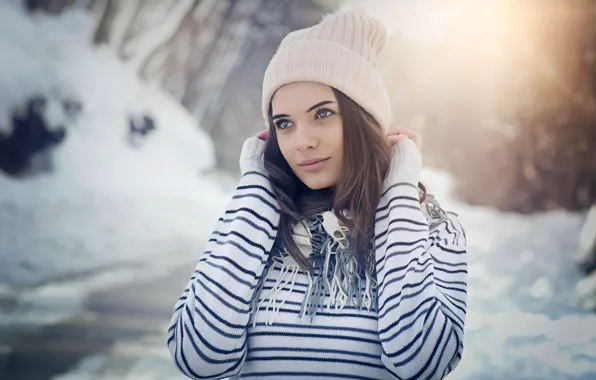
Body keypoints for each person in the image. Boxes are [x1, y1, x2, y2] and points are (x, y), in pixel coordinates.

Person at [167, 9, 467, 380]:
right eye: (284, 124)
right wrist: (259, 189)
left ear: (363, 120)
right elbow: (198, 358)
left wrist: (398, 193)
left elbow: (422, 363)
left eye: (323, 114)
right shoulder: (254, 224)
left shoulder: (431, 229)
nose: (302, 142)